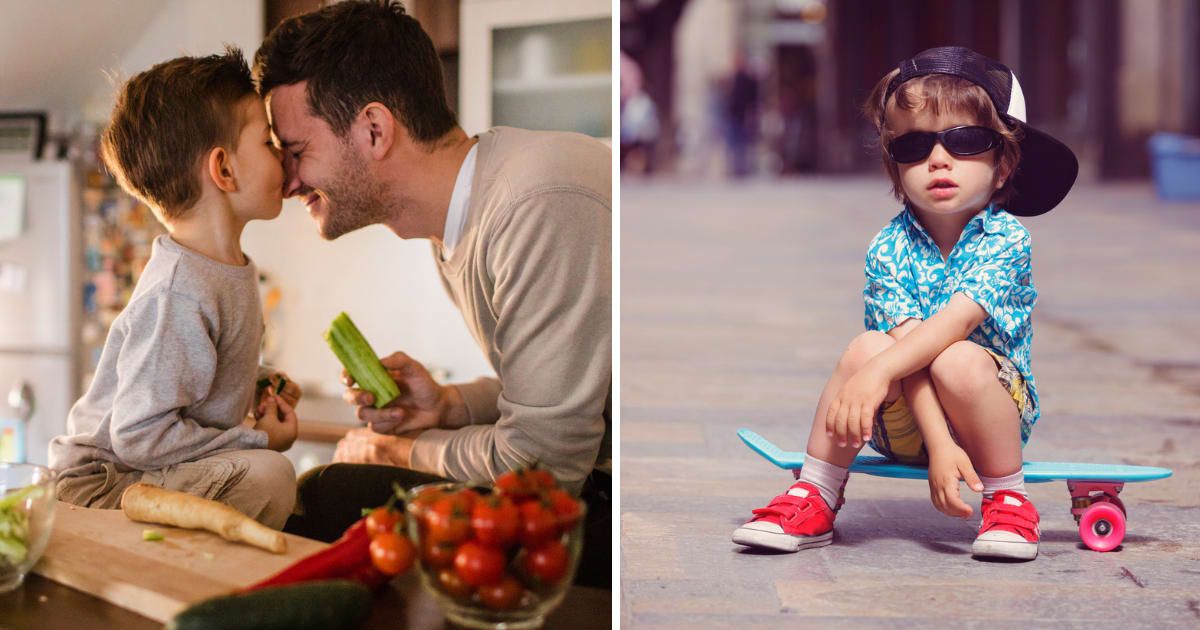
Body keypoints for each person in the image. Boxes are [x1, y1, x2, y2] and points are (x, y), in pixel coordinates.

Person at [253, 1, 611, 585]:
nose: (289, 181)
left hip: (617, 495)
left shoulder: (534, 203)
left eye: (296, 152)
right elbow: (574, 387)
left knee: (334, 492)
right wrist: (448, 405)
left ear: (374, 129)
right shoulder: (459, 221)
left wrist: (397, 451)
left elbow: (543, 471)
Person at [731, 46, 1078, 560]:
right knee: (866, 348)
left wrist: (880, 378)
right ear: (895, 168)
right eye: (914, 146)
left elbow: (951, 328)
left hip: (989, 417)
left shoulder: (1006, 240)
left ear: (1003, 166)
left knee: (954, 357)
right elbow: (906, 355)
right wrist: (935, 442)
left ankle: (1009, 498)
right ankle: (816, 492)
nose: (939, 159)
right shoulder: (887, 247)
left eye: (965, 140)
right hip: (905, 422)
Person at [49, 48, 303, 529]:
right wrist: (258, 440)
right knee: (269, 474)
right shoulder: (179, 292)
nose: (283, 155)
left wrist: (255, 380)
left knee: (268, 475)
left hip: (141, 467)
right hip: (104, 483)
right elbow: (139, 434)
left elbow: (192, 377)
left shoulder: (222, 270)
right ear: (224, 170)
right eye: (268, 143)